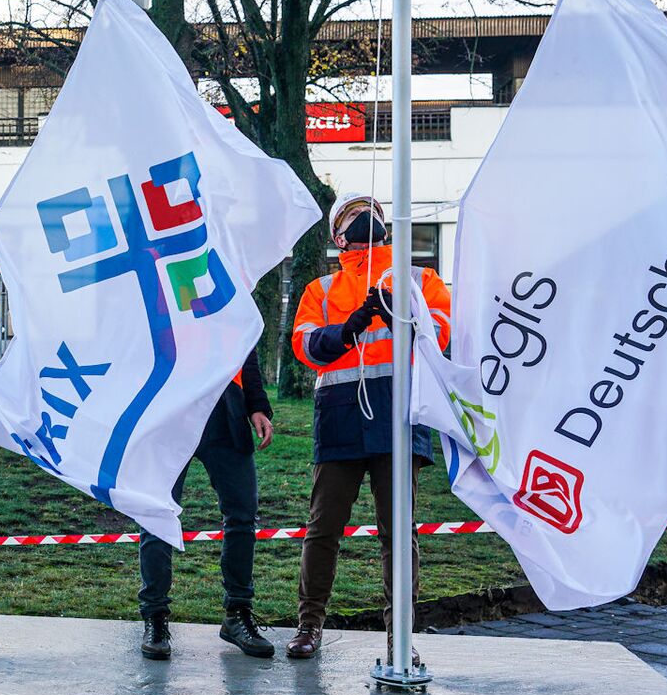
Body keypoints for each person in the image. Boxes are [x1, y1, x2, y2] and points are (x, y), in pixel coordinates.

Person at [286, 192, 450, 661]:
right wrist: (349, 328)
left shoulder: (419, 278)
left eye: (372, 216)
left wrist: (403, 310)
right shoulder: (321, 289)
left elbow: (441, 334)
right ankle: (308, 625)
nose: (367, 222)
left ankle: (401, 636)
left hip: (398, 416)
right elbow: (307, 348)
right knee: (323, 529)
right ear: (338, 235)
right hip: (339, 415)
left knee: (399, 533)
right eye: (355, 217)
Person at [137, 347, 276, 660]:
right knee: (157, 513)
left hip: (225, 414)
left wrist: (257, 406)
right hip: (167, 414)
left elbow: (247, 342)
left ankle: (238, 615)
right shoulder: (157, 294)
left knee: (243, 514)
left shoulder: (232, 294)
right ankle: (155, 617)